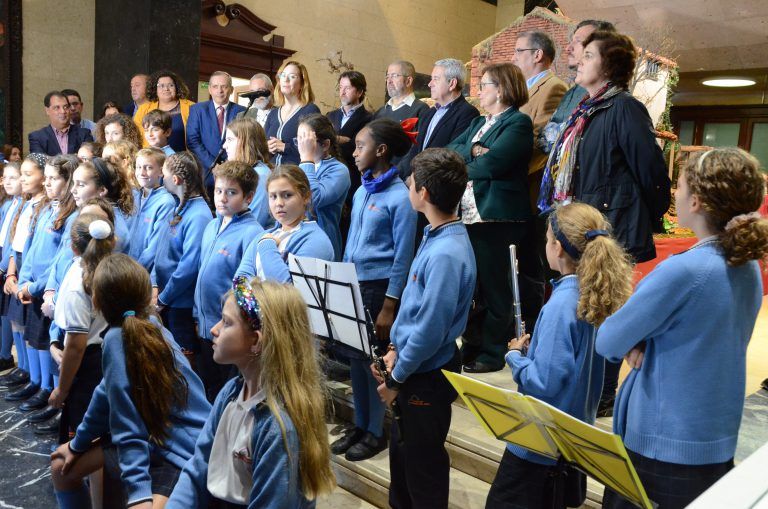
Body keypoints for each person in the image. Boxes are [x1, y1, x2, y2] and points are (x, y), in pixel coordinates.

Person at [596, 148, 768, 509]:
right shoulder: (746, 264)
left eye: (680, 186)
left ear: (698, 201)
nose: (674, 194)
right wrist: (643, 337)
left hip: (663, 445)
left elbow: (609, 339)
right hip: (714, 438)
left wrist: (637, 337)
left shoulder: (685, 270)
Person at [537, 31, 671, 416]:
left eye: (589, 55)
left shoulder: (624, 108)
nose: (578, 61)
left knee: (606, 310)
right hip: (587, 224)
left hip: (611, 228)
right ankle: (584, 384)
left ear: (609, 66)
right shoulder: (586, 108)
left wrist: (640, 214)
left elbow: (651, 172)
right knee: (588, 311)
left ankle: (604, 393)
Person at [485, 202, 634, 509]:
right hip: (570, 441)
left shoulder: (560, 305)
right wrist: (535, 351)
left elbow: (545, 382)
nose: (545, 244)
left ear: (559, 249)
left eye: (548, 238)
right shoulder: (592, 294)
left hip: (539, 445)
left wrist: (515, 356)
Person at [49, 253, 211, 509]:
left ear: (96, 302)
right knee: (61, 467)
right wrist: (78, 444)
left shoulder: (121, 337)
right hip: (151, 439)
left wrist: (139, 493)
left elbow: (127, 425)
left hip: (178, 448)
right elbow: (105, 395)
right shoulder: (137, 328)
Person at [166, 277, 336, 508]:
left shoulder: (277, 429)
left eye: (226, 323)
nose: (214, 330)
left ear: (255, 341)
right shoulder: (231, 392)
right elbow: (199, 467)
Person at [374, 148, 476, 509]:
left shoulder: (447, 252)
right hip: (412, 367)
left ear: (425, 194)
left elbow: (431, 328)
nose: (406, 184)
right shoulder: (435, 235)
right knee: (403, 463)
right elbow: (413, 309)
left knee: (423, 471)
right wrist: (393, 350)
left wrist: (397, 378)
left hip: (425, 377)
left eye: (412, 182)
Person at [332, 118, 416, 462]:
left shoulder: (400, 197)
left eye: (361, 146)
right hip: (355, 284)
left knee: (372, 363)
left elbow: (404, 254)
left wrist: (390, 303)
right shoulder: (362, 189)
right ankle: (361, 424)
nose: (354, 153)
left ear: (381, 151)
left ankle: (377, 430)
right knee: (354, 361)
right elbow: (352, 242)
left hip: (379, 289)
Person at [447, 62, 538, 373]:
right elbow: (451, 150)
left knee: (494, 287)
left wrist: (473, 157)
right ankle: (472, 345)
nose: (479, 91)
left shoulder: (518, 123)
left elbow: (493, 165)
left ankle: (493, 351)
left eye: (484, 84)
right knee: (473, 286)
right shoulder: (480, 124)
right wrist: (475, 150)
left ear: (501, 89)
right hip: (470, 214)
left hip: (497, 218)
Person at [12, 155, 79, 414]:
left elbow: (59, 262)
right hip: (34, 286)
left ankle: (54, 396)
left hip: (48, 292)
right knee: (35, 339)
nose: (48, 184)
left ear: (68, 181)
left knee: (49, 345)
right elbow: (31, 250)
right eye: (47, 178)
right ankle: (39, 385)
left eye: (54, 179)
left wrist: (36, 286)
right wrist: (25, 279)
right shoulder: (48, 208)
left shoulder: (71, 216)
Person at [195, 161, 263, 402]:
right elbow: (202, 273)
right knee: (206, 388)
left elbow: (245, 287)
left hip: (227, 329)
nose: (222, 198)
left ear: (249, 197)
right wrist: (197, 314)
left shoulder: (252, 232)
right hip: (204, 325)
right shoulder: (212, 225)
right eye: (218, 191)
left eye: (231, 192)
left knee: (226, 393)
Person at [48, 214, 114, 444]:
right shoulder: (112, 267)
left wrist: (62, 390)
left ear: (74, 247)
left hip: (87, 365)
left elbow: (76, 345)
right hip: (106, 357)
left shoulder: (80, 283)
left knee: (83, 436)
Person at [152, 152, 213, 360]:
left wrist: (163, 298)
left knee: (183, 363)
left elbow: (189, 266)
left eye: (164, 174)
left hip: (179, 304)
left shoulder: (198, 215)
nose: (162, 178)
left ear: (175, 179)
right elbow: (161, 251)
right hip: (167, 298)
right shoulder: (179, 205)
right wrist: (154, 285)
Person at [235, 165, 333, 283]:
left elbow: (291, 290)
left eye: (287, 195)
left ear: (306, 196)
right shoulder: (262, 236)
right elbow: (240, 283)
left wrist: (267, 247)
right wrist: (250, 302)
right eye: (273, 196)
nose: (279, 203)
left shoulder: (316, 241)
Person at [3, 154, 48, 405]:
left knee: (36, 331)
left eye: (28, 174)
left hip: (32, 273)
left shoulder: (43, 207)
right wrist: (11, 271)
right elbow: (14, 243)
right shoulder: (25, 203)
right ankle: (29, 373)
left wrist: (23, 276)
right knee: (19, 325)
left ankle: (43, 383)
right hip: (19, 267)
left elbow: (34, 247)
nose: (22, 179)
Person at [539, 20, 616, 155]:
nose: (568, 48)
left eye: (578, 41)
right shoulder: (572, 92)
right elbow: (546, 143)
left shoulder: (620, 104)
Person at [398, 58, 479, 179]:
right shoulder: (429, 113)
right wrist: (394, 176)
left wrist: (416, 179)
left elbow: (451, 156)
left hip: (436, 185)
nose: (430, 84)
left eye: (435, 79)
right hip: (415, 183)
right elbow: (414, 152)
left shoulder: (468, 114)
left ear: (452, 83)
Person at [513, 31, 568, 209]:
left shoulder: (554, 87)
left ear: (537, 55)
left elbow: (542, 138)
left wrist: (501, 152)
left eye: (518, 51)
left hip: (527, 180)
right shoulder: (522, 88)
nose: (513, 57)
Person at [296, 113, 350, 260]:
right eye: (299, 140)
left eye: (306, 140)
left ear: (325, 144)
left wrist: (307, 160)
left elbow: (313, 200)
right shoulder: (302, 166)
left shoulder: (339, 170)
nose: (301, 146)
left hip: (323, 246)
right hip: (298, 240)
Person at [186, 71, 245, 189]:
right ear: (209, 89)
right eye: (215, 86)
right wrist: (213, 165)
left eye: (224, 86)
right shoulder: (197, 110)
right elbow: (192, 141)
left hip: (233, 171)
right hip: (205, 173)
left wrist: (228, 165)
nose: (220, 90)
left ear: (231, 89)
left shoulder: (242, 111)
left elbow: (244, 140)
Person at [70, 157, 134, 253]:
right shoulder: (78, 213)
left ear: (102, 190)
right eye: (73, 183)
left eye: (81, 185)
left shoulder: (114, 229)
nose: (72, 190)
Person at [264, 61, 321, 165]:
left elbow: (316, 146)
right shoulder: (273, 112)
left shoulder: (310, 110)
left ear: (302, 83)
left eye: (292, 76)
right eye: (283, 75)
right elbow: (262, 144)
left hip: (296, 175)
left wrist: (284, 147)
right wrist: (266, 147)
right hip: (272, 175)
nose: (286, 79)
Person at [128, 148, 176, 270]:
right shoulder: (133, 195)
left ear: (161, 172)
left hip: (141, 272)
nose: (142, 173)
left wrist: (135, 270)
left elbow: (155, 246)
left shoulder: (166, 202)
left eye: (148, 168)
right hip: (125, 266)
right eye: (138, 167)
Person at [221, 117, 273, 229]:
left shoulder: (261, 176)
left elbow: (253, 224)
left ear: (246, 143)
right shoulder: (244, 173)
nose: (224, 146)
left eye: (230, 140)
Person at [135, 70, 195, 153]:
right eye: (161, 86)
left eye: (171, 85)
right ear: (155, 89)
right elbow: (135, 136)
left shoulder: (192, 107)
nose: (166, 89)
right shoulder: (144, 109)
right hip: (152, 158)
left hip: (184, 159)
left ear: (177, 88)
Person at [0, 162, 23, 376]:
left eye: (12, 177)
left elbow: (13, 244)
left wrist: (5, 268)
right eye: (4, 177)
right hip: (3, 266)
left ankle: (5, 355)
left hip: (10, 268)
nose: (6, 181)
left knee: (9, 315)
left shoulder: (24, 205)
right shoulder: (8, 204)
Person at [326, 70, 373, 173]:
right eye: (341, 87)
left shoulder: (369, 119)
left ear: (359, 92)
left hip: (351, 174)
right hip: (327, 172)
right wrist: (339, 139)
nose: (342, 92)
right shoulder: (330, 115)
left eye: (347, 88)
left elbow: (355, 149)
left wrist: (330, 140)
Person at [28, 91, 93, 156]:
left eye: (66, 107)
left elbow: (88, 160)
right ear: (47, 110)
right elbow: (39, 163)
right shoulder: (37, 137)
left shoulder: (84, 134)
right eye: (57, 108)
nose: (63, 111)